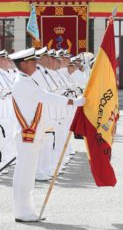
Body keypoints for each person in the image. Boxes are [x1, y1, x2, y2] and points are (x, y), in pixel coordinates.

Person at [9, 48, 86, 222]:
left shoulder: (26, 80)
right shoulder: (23, 83)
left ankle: (26, 211)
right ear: (23, 64)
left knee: (27, 175)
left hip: (30, 134)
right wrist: (74, 101)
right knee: (24, 174)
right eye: (32, 61)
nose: (36, 63)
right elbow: (46, 97)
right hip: (27, 134)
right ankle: (22, 212)